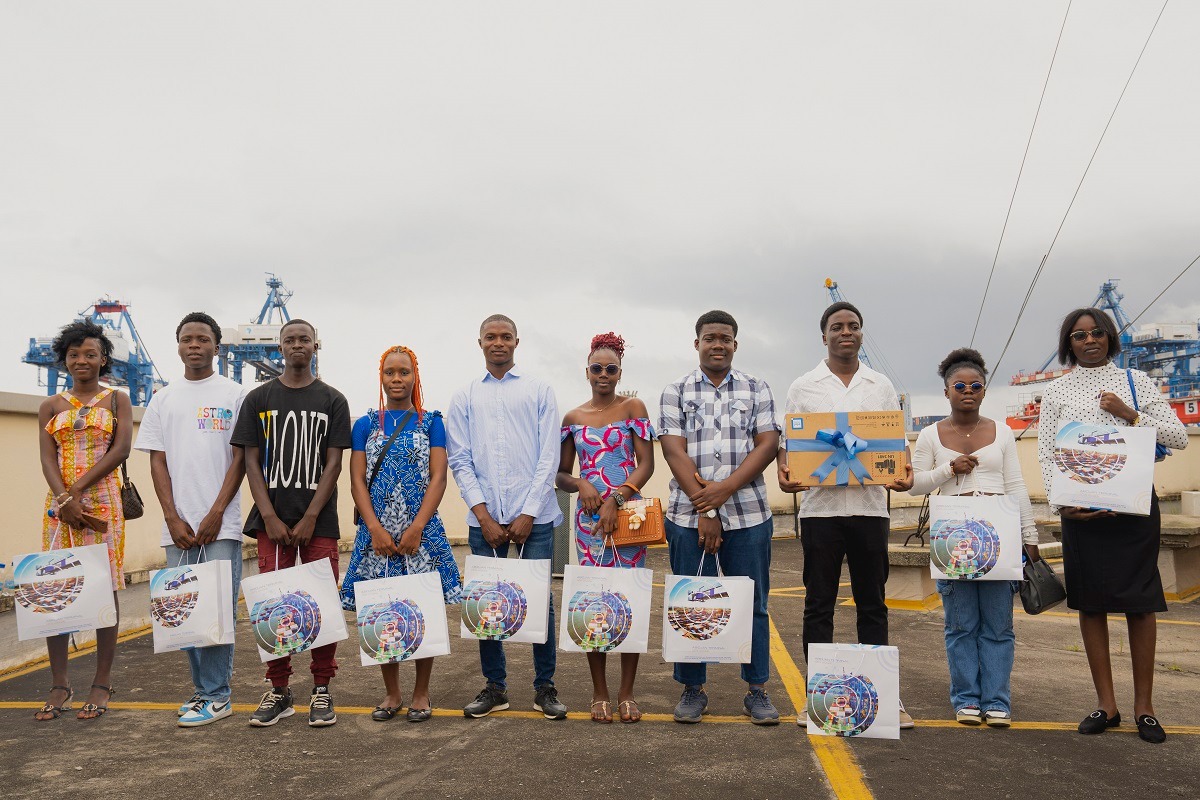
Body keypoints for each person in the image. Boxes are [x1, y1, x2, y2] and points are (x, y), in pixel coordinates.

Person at [1036, 307, 1187, 744]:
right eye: (1079, 335)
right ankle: (1107, 705)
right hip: (1081, 509)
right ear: (1069, 344)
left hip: (1134, 507)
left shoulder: (1136, 383)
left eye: (1097, 332)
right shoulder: (1057, 391)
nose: (1089, 340)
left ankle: (1146, 708)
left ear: (1110, 338)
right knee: (1091, 603)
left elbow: (1176, 437)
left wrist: (1130, 414)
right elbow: (1047, 454)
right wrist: (1061, 503)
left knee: (1141, 603)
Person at [776, 301, 915, 729]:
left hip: (871, 511)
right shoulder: (804, 385)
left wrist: (904, 472)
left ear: (860, 333)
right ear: (824, 336)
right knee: (818, 605)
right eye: (837, 327)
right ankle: (815, 696)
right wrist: (785, 476)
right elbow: (789, 445)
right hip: (820, 513)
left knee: (873, 603)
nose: (846, 332)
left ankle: (884, 696)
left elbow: (894, 442)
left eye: (853, 326)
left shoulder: (880, 385)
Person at [659, 310, 782, 725]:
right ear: (697, 344)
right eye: (710, 337)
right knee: (692, 605)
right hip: (686, 515)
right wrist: (708, 507)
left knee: (754, 606)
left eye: (725, 338)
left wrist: (726, 489)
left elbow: (766, 445)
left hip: (748, 516)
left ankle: (757, 690)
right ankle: (693, 689)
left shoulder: (757, 387)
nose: (718, 344)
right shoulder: (675, 390)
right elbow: (673, 451)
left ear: (735, 344)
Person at [908, 348, 1040, 728]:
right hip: (954, 539)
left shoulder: (1003, 431)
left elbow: (1015, 485)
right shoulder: (930, 435)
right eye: (960, 385)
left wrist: (1028, 536)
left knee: (998, 625)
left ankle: (997, 701)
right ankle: (966, 699)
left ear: (984, 390)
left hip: (999, 539)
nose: (968, 390)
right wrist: (949, 468)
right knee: (960, 623)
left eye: (976, 385)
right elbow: (915, 486)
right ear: (947, 391)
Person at [230, 319, 352, 728]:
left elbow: (334, 463)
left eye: (304, 339)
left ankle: (321, 688)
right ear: (280, 347)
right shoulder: (258, 398)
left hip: (319, 520)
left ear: (315, 345)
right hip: (272, 522)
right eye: (289, 340)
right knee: (272, 605)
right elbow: (249, 460)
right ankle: (279, 690)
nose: (297, 345)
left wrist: (312, 515)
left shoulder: (333, 399)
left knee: (322, 604)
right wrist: (268, 515)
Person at [446, 314, 568, 720]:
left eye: (505, 337)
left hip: (535, 517)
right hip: (485, 519)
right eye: (490, 337)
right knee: (487, 604)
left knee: (540, 603)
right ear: (479, 342)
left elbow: (549, 456)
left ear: (517, 342)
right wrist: (482, 515)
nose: (498, 343)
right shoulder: (464, 397)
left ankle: (544, 687)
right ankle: (495, 687)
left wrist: (529, 512)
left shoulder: (539, 391)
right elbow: (460, 460)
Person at [135, 312, 247, 727]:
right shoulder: (163, 399)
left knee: (216, 611)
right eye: (187, 339)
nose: (195, 345)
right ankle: (202, 691)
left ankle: (218, 696)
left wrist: (217, 511)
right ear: (178, 345)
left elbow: (241, 457)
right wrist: (172, 516)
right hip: (178, 527)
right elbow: (157, 461)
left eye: (203, 339)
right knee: (181, 610)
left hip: (222, 525)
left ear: (217, 347)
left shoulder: (235, 394)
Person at [340, 345, 462, 723]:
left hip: (420, 531)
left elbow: (439, 477)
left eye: (403, 372)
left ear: (415, 376)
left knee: (423, 609)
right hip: (376, 536)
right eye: (390, 372)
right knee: (383, 610)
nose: (397, 379)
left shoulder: (431, 422)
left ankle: (421, 692)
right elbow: (356, 479)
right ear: (382, 376)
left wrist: (418, 527)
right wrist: (374, 527)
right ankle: (392, 693)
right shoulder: (365, 424)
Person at [555, 332, 656, 723]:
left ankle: (627, 691)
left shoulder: (634, 407)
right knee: (593, 603)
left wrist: (616, 497)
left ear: (619, 372)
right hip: (589, 525)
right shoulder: (573, 418)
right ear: (586, 371)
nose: (603, 374)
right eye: (596, 368)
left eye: (610, 369)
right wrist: (582, 483)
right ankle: (599, 691)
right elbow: (562, 475)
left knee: (629, 601)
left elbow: (645, 464)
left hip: (628, 520)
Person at [35, 319, 132, 721]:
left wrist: (77, 493)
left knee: (103, 588)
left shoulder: (117, 400)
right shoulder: (50, 406)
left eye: (90, 354)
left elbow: (122, 448)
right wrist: (63, 497)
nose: (81, 360)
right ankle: (60, 683)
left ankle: (101, 681)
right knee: (56, 589)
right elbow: (46, 457)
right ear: (65, 360)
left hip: (102, 506)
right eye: (74, 355)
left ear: (103, 358)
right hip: (58, 509)